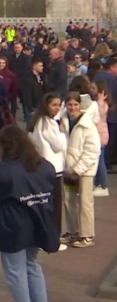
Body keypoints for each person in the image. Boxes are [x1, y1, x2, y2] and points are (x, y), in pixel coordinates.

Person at [0, 125, 59, 302]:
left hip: (13, 226)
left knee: (16, 271)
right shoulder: (44, 166)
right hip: (38, 222)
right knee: (32, 265)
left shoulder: (5, 170)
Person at [28, 94, 68, 251]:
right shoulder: (49, 123)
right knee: (55, 206)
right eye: (54, 105)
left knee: (45, 204)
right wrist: (63, 132)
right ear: (46, 106)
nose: (57, 108)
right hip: (53, 169)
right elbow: (58, 145)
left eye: (59, 105)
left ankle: (44, 236)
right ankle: (53, 240)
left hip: (43, 167)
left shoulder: (38, 121)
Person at [61, 91, 100, 248]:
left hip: (85, 171)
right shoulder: (61, 121)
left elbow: (93, 150)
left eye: (75, 104)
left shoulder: (87, 124)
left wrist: (79, 168)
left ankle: (87, 235)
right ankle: (72, 231)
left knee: (85, 202)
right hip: (68, 168)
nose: (72, 108)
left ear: (80, 105)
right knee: (68, 201)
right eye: (69, 104)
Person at [90, 80, 112, 197]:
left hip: (100, 135)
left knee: (99, 161)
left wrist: (100, 101)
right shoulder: (97, 102)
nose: (91, 90)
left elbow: (99, 114)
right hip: (99, 134)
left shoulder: (101, 104)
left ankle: (103, 185)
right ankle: (98, 184)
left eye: (93, 88)